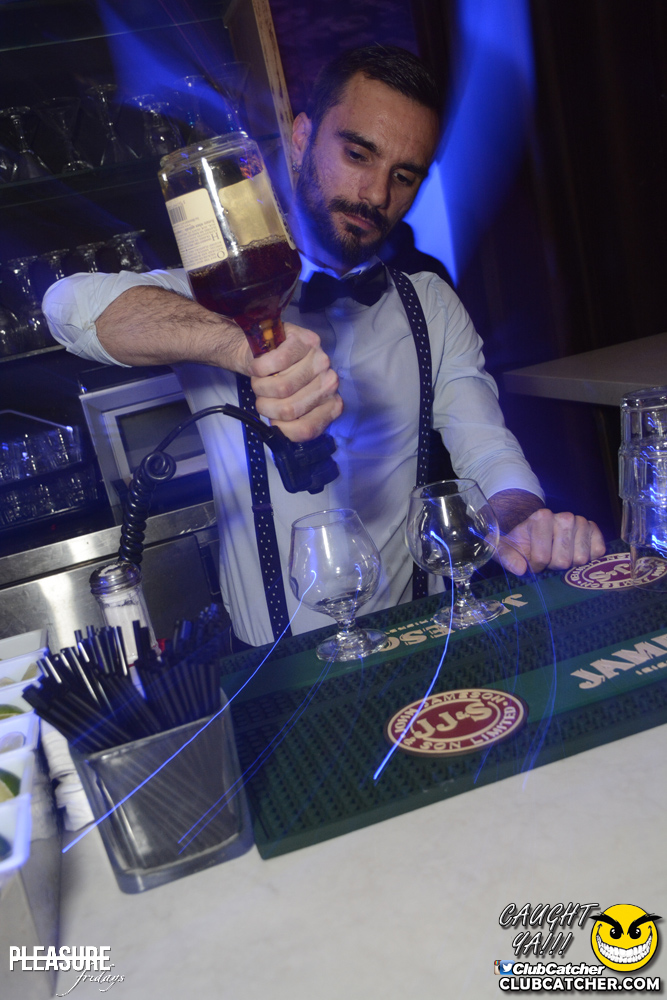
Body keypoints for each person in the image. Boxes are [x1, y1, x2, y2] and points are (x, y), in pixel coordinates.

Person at [43, 46, 605, 647]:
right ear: (301, 137)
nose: (375, 194)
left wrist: (522, 519)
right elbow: (67, 307)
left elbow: (489, 451)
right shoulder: (217, 293)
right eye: (357, 154)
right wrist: (240, 343)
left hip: (419, 643)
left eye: (404, 175)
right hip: (271, 667)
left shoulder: (432, 304)